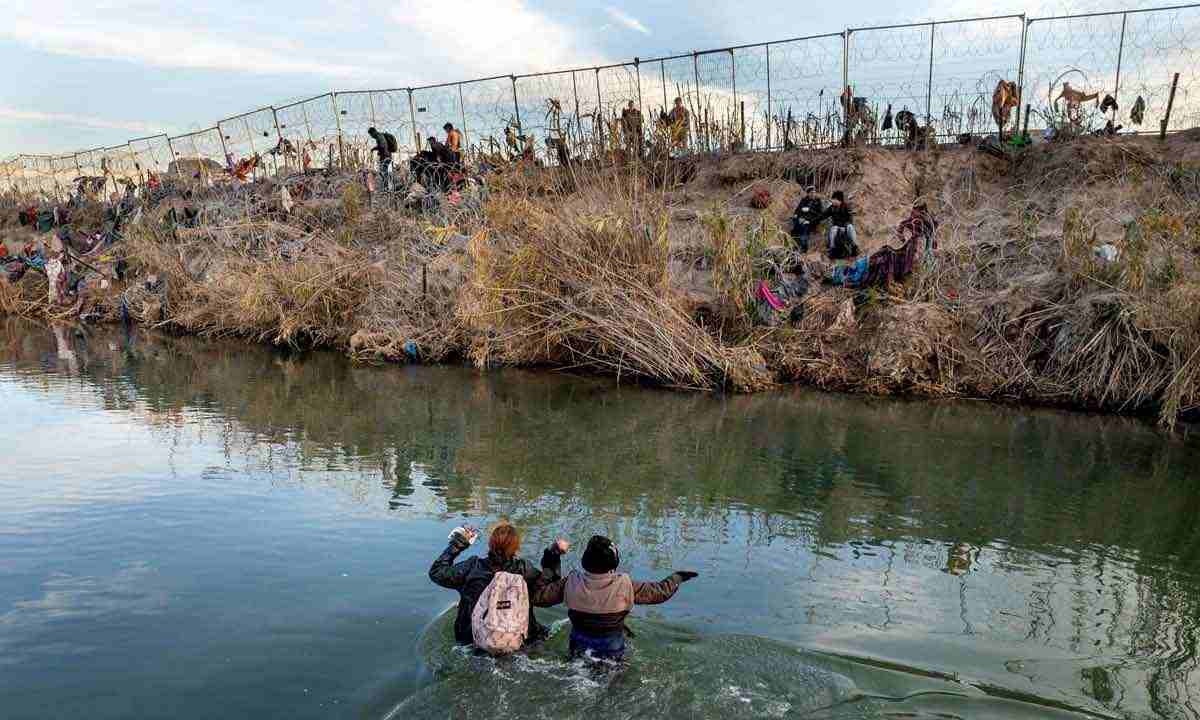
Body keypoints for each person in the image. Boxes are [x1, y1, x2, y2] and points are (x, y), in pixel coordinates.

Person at [536, 535, 698, 661]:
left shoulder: (570, 582)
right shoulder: (624, 584)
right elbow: (660, 593)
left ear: (585, 560)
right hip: (612, 646)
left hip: (579, 643)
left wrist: (553, 554)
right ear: (614, 562)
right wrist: (678, 577)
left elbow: (540, 597)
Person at [429, 523, 569, 647]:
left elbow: (437, 572)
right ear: (516, 548)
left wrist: (458, 543)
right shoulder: (524, 570)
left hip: (472, 639)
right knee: (540, 634)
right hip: (518, 640)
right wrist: (553, 554)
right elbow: (547, 593)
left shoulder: (471, 567)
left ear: (490, 544)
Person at [822, 190, 858, 259]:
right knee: (833, 229)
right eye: (833, 199)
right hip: (836, 227)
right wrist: (812, 221)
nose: (832, 201)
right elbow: (823, 215)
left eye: (834, 199)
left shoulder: (846, 206)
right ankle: (832, 249)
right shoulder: (832, 208)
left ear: (839, 200)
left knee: (850, 227)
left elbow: (850, 219)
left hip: (846, 227)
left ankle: (854, 247)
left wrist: (844, 226)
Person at [790, 186, 824, 252]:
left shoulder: (818, 201)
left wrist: (810, 210)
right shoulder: (804, 200)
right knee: (795, 229)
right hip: (802, 218)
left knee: (804, 227)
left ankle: (804, 247)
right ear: (808, 194)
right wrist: (796, 215)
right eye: (811, 193)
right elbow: (797, 210)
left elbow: (820, 214)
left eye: (814, 193)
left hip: (812, 220)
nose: (813, 194)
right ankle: (795, 245)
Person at [367, 127, 394, 191]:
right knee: (386, 172)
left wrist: (374, 149)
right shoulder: (380, 136)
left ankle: (386, 189)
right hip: (387, 156)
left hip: (385, 157)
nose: (371, 136)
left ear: (373, 132)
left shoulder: (379, 136)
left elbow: (382, 146)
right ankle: (388, 188)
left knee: (383, 172)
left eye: (371, 135)